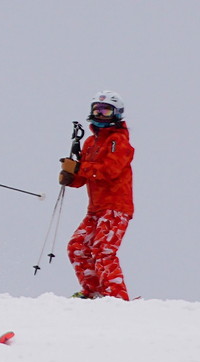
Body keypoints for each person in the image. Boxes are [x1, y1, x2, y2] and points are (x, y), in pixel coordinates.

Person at [59, 90, 134, 301]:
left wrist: (79, 168)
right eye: (97, 109)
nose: (100, 114)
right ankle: (93, 292)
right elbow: (84, 178)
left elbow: (109, 171)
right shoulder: (91, 142)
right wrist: (70, 176)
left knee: (103, 250)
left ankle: (116, 297)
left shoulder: (119, 141)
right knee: (78, 247)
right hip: (95, 209)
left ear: (117, 113)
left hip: (115, 207)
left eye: (106, 110)